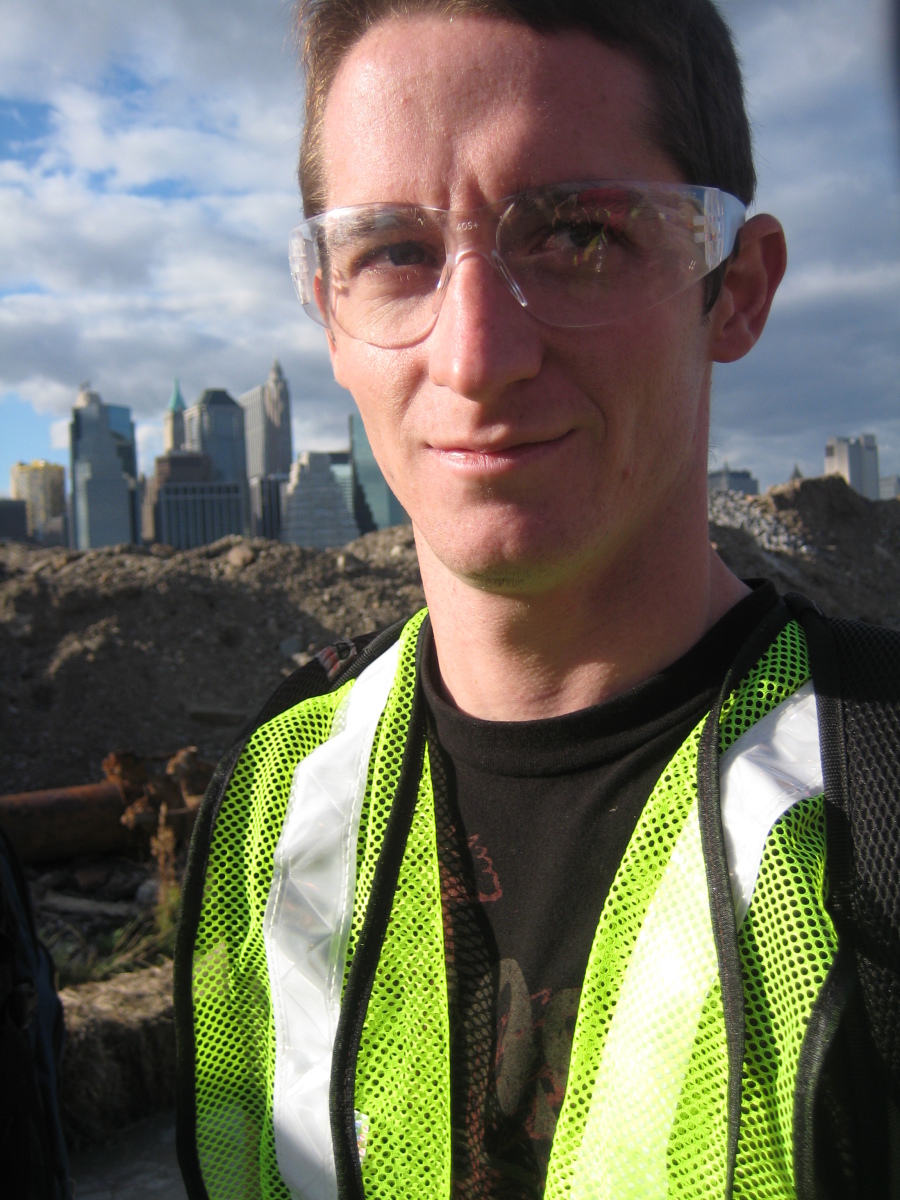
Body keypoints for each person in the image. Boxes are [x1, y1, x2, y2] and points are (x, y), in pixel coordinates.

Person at [174, 2, 900, 1197]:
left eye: (577, 234)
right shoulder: (274, 809)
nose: (475, 356)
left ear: (736, 288)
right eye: (394, 252)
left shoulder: (875, 806)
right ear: (329, 317)